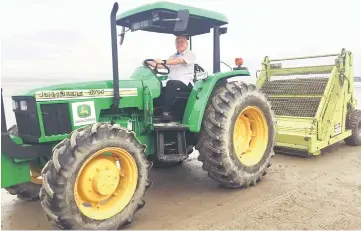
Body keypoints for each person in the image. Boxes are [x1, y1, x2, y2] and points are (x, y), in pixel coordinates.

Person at [146, 35, 196, 121]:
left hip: (185, 84)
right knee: (159, 87)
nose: (180, 44)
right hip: (173, 84)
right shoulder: (172, 56)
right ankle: (154, 111)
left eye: (182, 42)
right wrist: (148, 62)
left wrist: (163, 61)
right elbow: (161, 66)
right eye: (177, 42)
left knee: (171, 83)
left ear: (186, 43)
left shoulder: (190, 54)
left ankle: (166, 112)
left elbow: (179, 61)